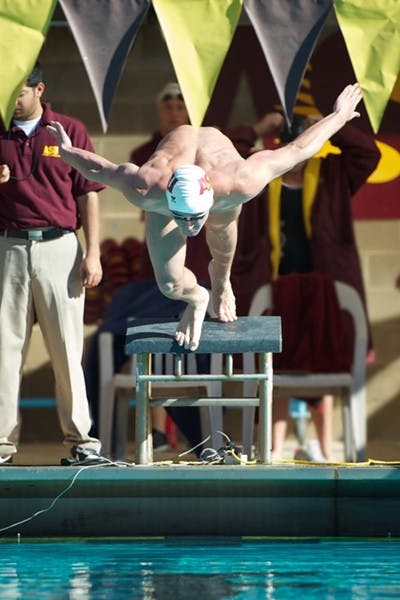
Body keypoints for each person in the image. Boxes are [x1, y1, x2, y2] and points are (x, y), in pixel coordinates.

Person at [47, 83, 363, 357]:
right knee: (170, 283)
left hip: (218, 180)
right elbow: (101, 169)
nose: (190, 228)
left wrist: (338, 116)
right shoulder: (147, 185)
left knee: (222, 234)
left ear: (208, 198)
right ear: (168, 195)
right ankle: (198, 297)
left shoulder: (240, 181)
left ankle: (221, 280)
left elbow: (299, 148)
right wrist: (67, 151)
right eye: (183, 218)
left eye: (195, 218)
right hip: (172, 177)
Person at [242, 111, 380, 461]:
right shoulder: (260, 175)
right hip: (273, 286)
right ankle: (274, 445)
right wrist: (259, 128)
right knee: (276, 362)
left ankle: (323, 444)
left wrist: (333, 122)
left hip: (326, 284)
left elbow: (369, 154)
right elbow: (228, 153)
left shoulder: (332, 173)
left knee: (327, 355)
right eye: (290, 143)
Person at [0, 63, 106, 465]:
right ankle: (2, 444)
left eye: (19, 92)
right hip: (8, 246)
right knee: (4, 350)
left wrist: (93, 251)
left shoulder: (67, 130)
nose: (12, 101)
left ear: (39, 89)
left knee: (65, 347)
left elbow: (88, 193)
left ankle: (80, 441)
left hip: (60, 246)